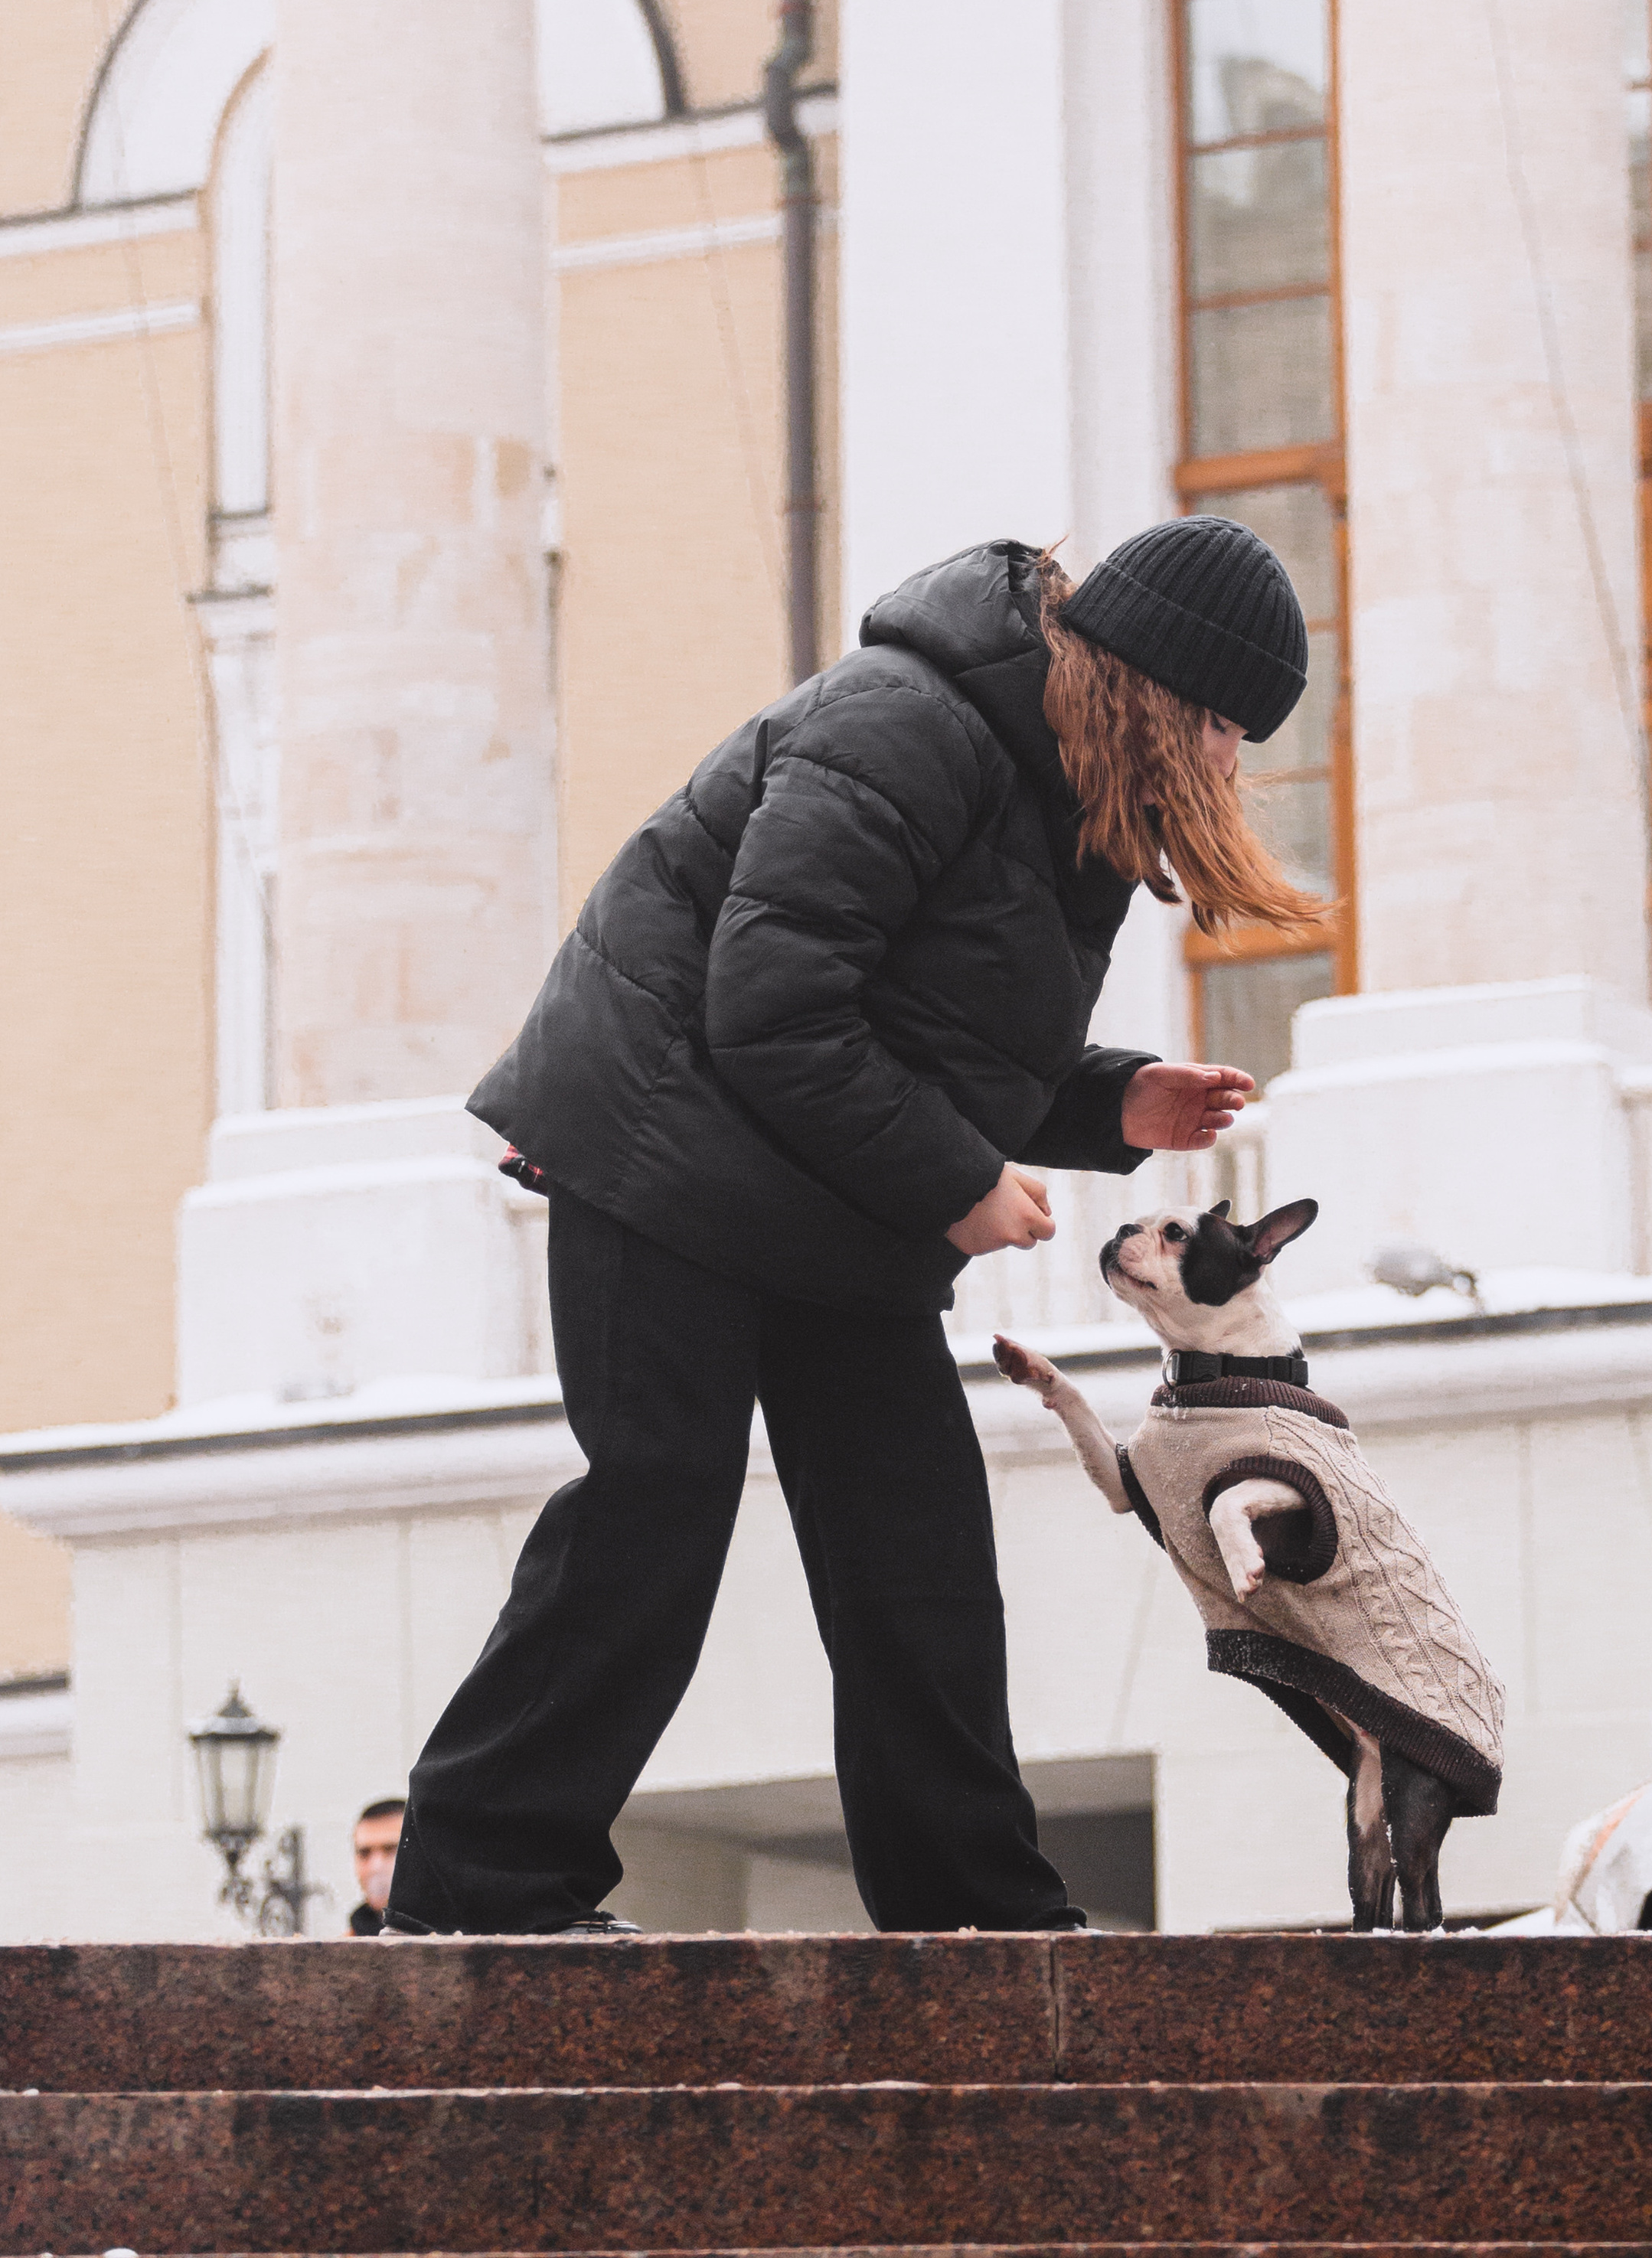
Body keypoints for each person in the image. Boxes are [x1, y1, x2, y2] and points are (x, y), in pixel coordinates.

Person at [387, 523, 1319, 1939]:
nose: (1223, 765)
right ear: (1148, 688)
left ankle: (973, 1912)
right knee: (658, 1498)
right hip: (658, 1144)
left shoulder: (1070, 807)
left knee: (916, 1545)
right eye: (1217, 725)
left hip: (815, 1184)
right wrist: (959, 1184)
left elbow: (937, 1032)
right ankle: (480, 1886)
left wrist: (1114, 1100)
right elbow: (775, 1001)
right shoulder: (906, 726)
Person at [347, 1796, 405, 1935]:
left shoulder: (460, 1936)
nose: (376, 1867)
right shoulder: (342, 1948)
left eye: (391, 1850)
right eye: (364, 1853)